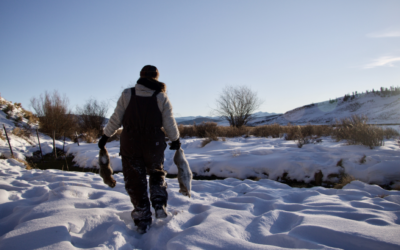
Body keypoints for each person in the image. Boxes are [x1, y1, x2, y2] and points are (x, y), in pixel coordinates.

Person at [98, 65, 181, 234]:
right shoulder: (161, 96)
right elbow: (169, 123)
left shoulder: (127, 94)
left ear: (141, 77)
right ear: (156, 77)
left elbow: (116, 119)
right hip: (154, 143)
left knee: (135, 179)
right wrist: (176, 140)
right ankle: (158, 203)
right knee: (157, 172)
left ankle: (142, 216)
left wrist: (105, 137)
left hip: (131, 142)